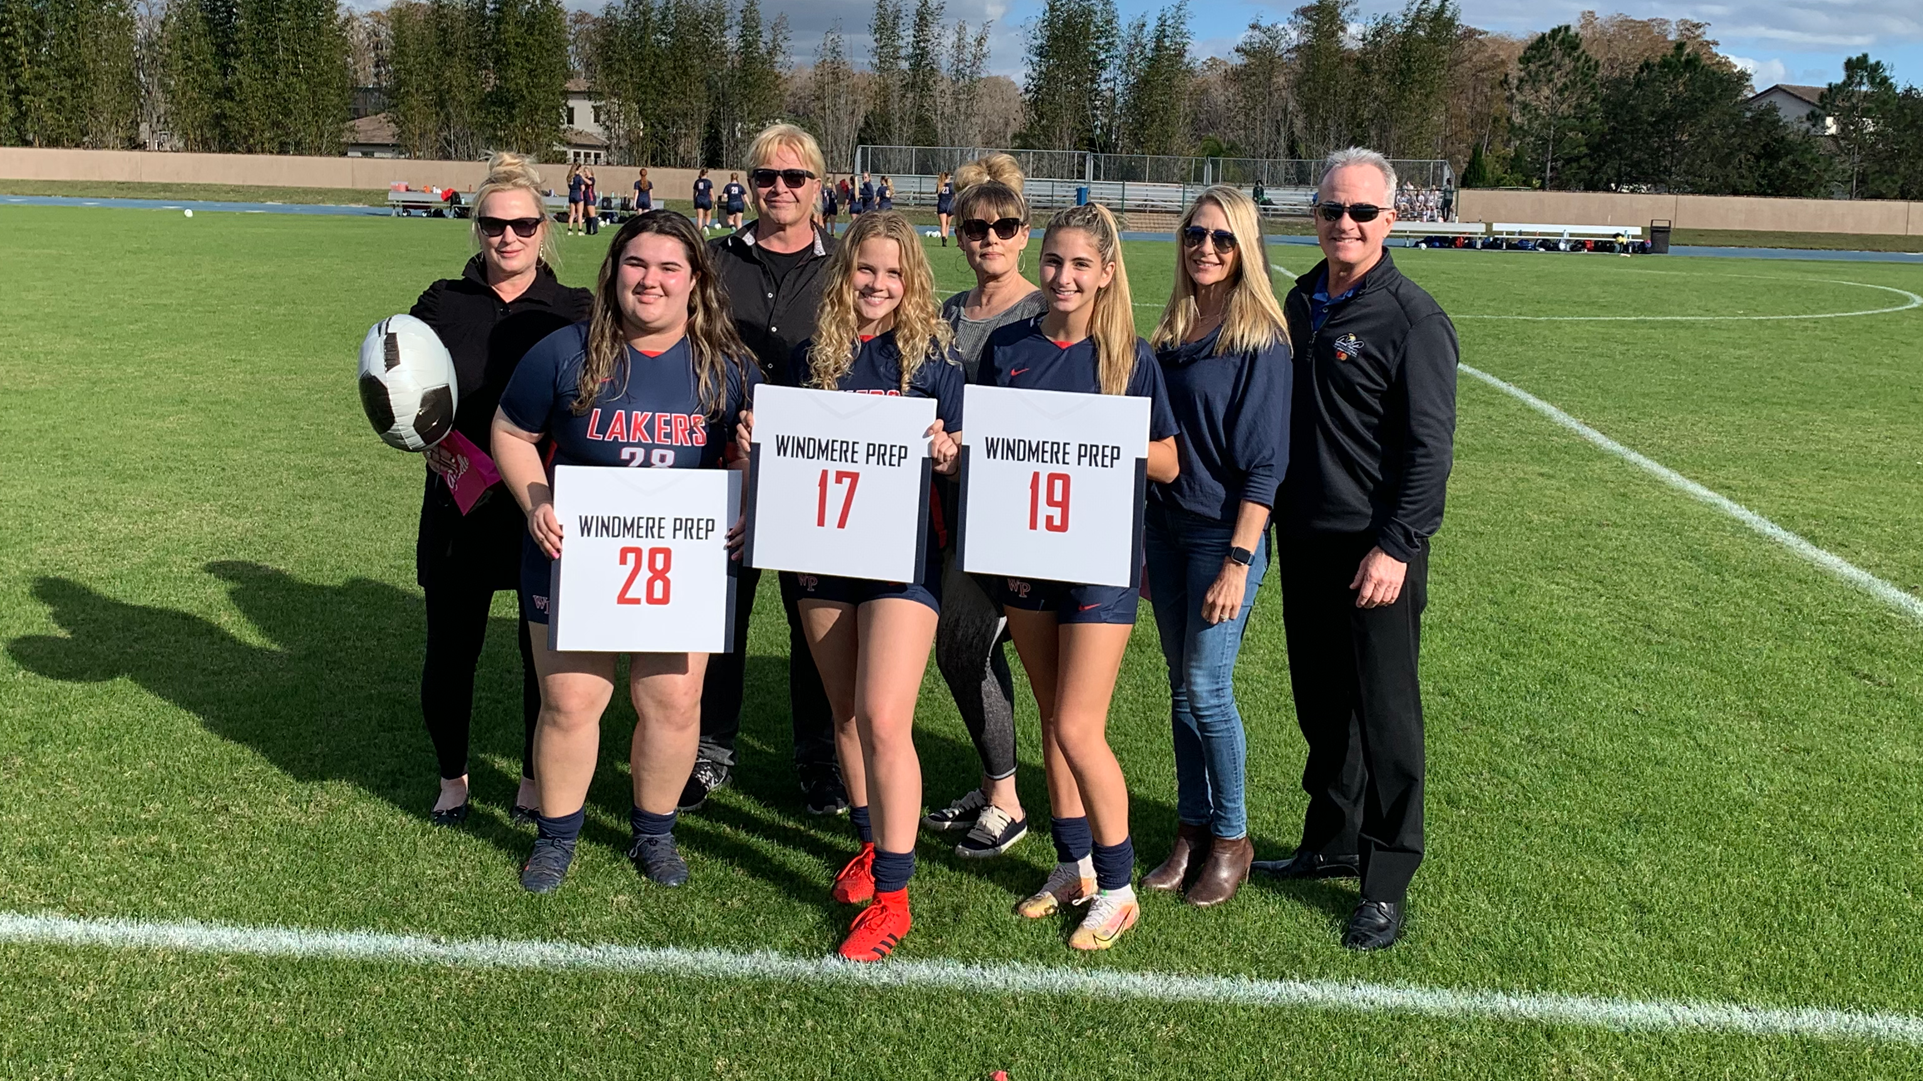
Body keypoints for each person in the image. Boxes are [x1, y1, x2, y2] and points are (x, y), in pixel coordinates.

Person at [491, 210, 762, 894]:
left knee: (670, 701)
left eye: (670, 267)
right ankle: (556, 837)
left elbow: (748, 459)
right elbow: (510, 430)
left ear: (695, 280)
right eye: (636, 264)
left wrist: (742, 498)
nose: (652, 280)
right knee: (572, 701)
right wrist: (537, 502)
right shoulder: (563, 352)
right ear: (613, 273)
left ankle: (654, 832)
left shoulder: (727, 368)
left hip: (681, 560)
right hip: (575, 552)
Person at [736, 210, 964, 962]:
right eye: (866, 269)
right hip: (822, 557)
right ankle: (872, 847)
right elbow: (787, 451)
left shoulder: (932, 361)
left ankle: (895, 898)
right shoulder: (811, 356)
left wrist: (947, 450)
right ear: (845, 273)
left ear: (912, 282)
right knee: (842, 711)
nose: (877, 284)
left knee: (882, 716)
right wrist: (752, 443)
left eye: (893, 273)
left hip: (901, 561)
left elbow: (966, 457)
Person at [1251, 147, 1457, 952]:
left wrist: (1396, 544)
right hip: (1301, 540)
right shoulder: (1298, 300)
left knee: (1385, 718)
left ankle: (1386, 875)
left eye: (1361, 212)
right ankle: (1330, 838)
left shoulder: (1412, 319)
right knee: (1320, 704)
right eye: (1332, 210)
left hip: (1375, 553)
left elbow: (1427, 449)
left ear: (1390, 220)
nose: (1345, 223)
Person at [977, 202, 1180, 951]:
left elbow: (1167, 460)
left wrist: (1109, 437)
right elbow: (985, 444)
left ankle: (1119, 886)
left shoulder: (1127, 355)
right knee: (1048, 712)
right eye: (1054, 262)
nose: (1062, 277)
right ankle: (1074, 865)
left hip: (1097, 561)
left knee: (1075, 724)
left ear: (1104, 273)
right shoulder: (1006, 347)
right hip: (1025, 558)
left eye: (1079, 265)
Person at [406, 153, 591, 829]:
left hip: (541, 509)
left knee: (541, 657)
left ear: (544, 229)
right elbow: (401, 391)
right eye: (492, 224)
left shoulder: (575, 310)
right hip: (459, 504)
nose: (506, 237)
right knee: (451, 651)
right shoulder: (439, 304)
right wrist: (426, 441)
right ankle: (452, 777)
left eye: (520, 225)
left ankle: (532, 778)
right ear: (476, 228)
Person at [1138, 185, 1290, 907]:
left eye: (1223, 239)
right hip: (1163, 530)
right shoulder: (1169, 327)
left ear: (1246, 248)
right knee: (1178, 688)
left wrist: (1237, 560)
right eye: (1196, 235)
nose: (1206, 248)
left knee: (1205, 686)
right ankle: (1190, 828)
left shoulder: (1260, 334)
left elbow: (1265, 462)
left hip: (1222, 536)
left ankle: (1231, 838)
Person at [693, 123, 846, 816]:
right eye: (765, 177)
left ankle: (819, 760)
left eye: (794, 178)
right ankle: (708, 749)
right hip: (721, 460)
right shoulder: (712, 259)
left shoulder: (846, 264)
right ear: (746, 184)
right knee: (719, 613)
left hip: (813, 473)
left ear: (819, 184)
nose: (778, 189)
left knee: (813, 620)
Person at [923, 153, 1045, 860]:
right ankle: (994, 781)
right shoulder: (944, 313)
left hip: (1014, 518)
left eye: (1003, 226)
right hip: (948, 513)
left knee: (964, 648)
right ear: (959, 234)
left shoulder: (1043, 311)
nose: (989, 238)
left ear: (1023, 232)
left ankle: (1008, 798)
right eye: (975, 227)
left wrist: (977, 442)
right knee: (968, 653)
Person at [934, 170, 954, 246]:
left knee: (943, 224)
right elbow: (955, 195)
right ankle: (946, 238)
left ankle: (943, 239)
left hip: (942, 205)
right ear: (948, 177)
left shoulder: (940, 185)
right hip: (950, 205)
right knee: (947, 224)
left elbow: (938, 195)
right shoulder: (952, 185)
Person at [566, 162, 585, 236]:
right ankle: (579, 230)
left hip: (571, 195)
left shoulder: (570, 177)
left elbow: (569, 186)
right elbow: (582, 188)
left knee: (572, 214)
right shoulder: (579, 177)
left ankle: (569, 229)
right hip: (578, 195)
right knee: (580, 214)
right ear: (579, 168)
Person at [581, 168, 599, 236]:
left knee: (592, 215)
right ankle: (588, 230)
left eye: (585, 171)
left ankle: (595, 230)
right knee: (587, 215)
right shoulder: (584, 180)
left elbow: (590, 183)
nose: (584, 173)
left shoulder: (592, 179)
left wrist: (582, 177)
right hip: (584, 198)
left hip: (590, 198)